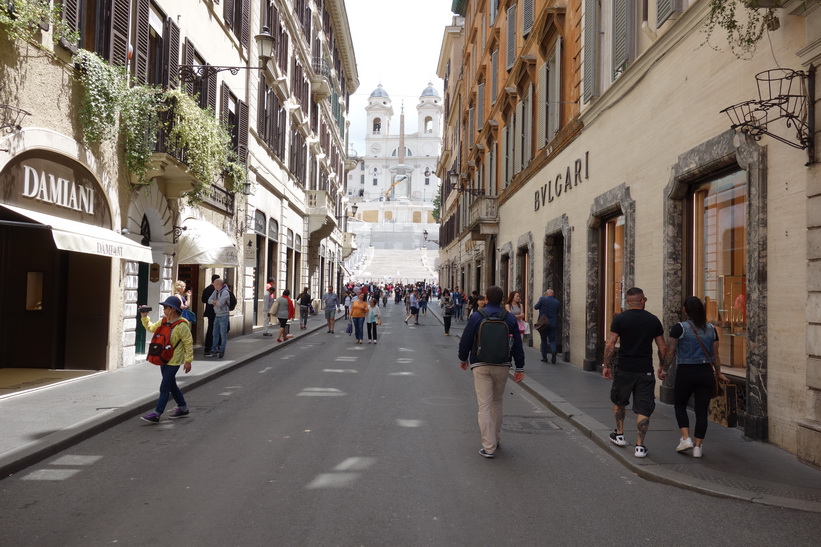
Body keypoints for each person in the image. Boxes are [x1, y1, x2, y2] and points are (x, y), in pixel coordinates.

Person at [458, 286, 525, 458]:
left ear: (486, 298)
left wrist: (463, 358)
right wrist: (519, 367)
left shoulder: (476, 316)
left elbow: (466, 339)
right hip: (502, 364)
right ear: (502, 300)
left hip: (480, 364)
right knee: (497, 402)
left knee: (484, 406)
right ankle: (496, 438)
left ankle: (488, 446)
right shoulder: (509, 318)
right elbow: (517, 344)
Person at [602, 287, 667, 459]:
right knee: (644, 406)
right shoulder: (653, 320)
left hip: (624, 368)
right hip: (645, 370)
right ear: (642, 300)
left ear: (628, 302)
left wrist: (606, 365)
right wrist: (663, 366)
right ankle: (639, 446)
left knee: (619, 400)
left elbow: (610, 344)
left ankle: (620, 434)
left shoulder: (620, 319)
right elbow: (663, 346)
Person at [661, 296, 728, 458]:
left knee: (680, 405)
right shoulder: (712, 329)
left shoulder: (679, 328)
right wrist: (718, 372)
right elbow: (715, 353)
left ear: (685, 310)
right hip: (705, 372)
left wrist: (664, 369)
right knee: (701, 411)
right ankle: (698, 446)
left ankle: (686, 438)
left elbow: (671, 351)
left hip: (686, 372)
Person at [139, 296, 194, 423]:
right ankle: (183, 408)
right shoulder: (163, 321)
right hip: (163, 357)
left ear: (173, 309)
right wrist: (144, 316)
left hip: (174, 360)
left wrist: (188, 361)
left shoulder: (182, 325)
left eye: (166, 307)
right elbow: (151, 328)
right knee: (171, 385)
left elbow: (188, 343)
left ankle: (157, 414)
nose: (164, 310)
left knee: (164, 387)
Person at [207, 278, 230, 358]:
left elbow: (220, 304)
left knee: (223, 334)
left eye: (214, 284)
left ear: (217, 284)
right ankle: (213, 349)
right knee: (215, 333)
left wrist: (215, 302)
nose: (213, 285)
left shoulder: (225, 292)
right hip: (217, 315)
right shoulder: (215, 292)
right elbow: (209, 300)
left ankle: (222, 350)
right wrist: (215, 301)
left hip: (224, 315)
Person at [201, 274, 220, 356]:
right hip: (215, 312)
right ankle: (210, 348)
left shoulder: (206, 289)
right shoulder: (216, 290)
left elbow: (203, 300)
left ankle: (209, 348)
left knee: (210, 329)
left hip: (209, 312)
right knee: (213, 331)